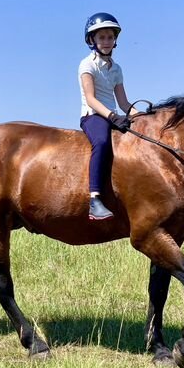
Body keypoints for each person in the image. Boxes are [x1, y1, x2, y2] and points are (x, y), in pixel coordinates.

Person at [78, 12, 138, 220]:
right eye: (101, 37)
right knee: (102, 142)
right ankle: (94, 199)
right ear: (91, 40)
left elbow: (124, 102)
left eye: (110, 37)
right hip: (93, 115)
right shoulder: (87, 65)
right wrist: (112, 117)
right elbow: (91, 98)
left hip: (113, 115)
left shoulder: (117, 69)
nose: (106, 41)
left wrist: (141, 116)